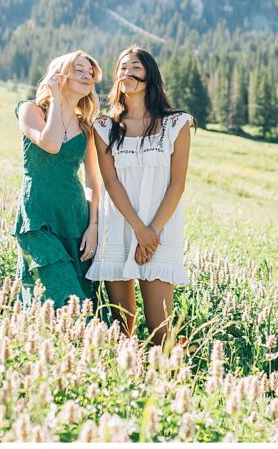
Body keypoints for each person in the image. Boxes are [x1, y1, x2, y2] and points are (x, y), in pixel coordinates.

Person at [87, 45, 194, 346]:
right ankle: (128, 381)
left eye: (135, 67)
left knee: (159, 325)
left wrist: (152, 233)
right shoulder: (105, 126)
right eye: (122, 67)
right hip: (119, 226)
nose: (127, 72)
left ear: (150, 76)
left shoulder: (177, 124)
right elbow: (111, 182)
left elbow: (177, 184)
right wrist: (138, 230)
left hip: (159, 229)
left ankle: (172, 383)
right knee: (122, 324)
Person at [11, 50, 103, 309]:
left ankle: (85, 346)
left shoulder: (86, 128)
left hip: (75, 219)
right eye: (79, 69)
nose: (87, 75)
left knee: (79, 296)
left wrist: (93, 225)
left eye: (91, 72)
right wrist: (57, 98)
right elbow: (50, 144)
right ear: (59, 73)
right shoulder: (30, 110)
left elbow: (92, 181)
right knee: (61, 291)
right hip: (37, 216)